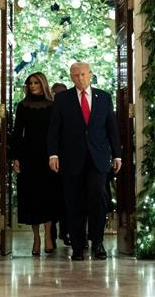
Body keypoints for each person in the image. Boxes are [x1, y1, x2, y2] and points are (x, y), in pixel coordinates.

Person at [48, 62, 122, 261]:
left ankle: (97, 242)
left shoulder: (104, 97)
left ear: (90, 75)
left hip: (98, 158)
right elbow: (54, 129)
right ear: (71, 77)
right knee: (74, 202)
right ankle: (78, 246)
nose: (80, 78)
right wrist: (53, 154)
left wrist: (117, 155)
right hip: (71, 158)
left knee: (98, 196)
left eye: (83, 74)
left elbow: (111, 128)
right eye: (76, 75)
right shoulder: (62, 99)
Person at [10, 72, 58, 256]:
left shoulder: (53, 106)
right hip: (28, 156)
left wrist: (57, 155)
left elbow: (57, 132)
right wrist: (16, 157)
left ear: (43, 84)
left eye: (36, 82)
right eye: (30, 83)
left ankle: (47, 236)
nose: (33, 86)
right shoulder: (22, 106)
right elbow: (16, 133)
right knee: (31, 197)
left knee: (49, 197)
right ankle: (36, 237)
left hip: (48, 157)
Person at [49, 82, 70, 246]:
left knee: (65, 199)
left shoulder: (69, 108)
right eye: (55, 93)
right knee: (54, 199)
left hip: (67, 162)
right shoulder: (48, 108)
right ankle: (53, 233)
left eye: (60, 93)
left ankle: (65, 232)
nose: (58, 96)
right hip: (50, 161)